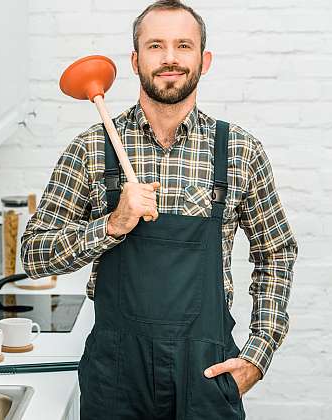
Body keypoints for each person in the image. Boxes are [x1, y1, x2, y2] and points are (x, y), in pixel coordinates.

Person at [21, 1, 298, 418]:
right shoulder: (92, 150)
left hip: (206, 375)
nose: (170, 58)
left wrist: (258, 355)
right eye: (155, 46)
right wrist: (111, 225)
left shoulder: (239, 151)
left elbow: (276, 253)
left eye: (183, 45)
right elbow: (34, 255)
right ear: (135, 61)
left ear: (204, 60)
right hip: (116, 378)